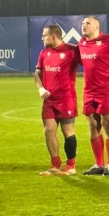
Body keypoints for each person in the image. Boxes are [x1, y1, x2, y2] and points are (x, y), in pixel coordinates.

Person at [77, 16, 109, 175]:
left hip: (107, 89)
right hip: (89, 90)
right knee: (93, 127)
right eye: (83, 23)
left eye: (87, 23)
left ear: (97, 26)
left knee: (108, 125)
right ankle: (98, 164)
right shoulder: (81, 43)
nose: (84, 26)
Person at [36, 25, 80, 175]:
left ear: (53, 36)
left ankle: (71, 166)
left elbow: (91, 61)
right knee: (49, 131)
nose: (42, 38)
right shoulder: (43, 53)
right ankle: (55, 165)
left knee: (67, 130)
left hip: (66, 98)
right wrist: (41, 88)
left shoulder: (72, 50)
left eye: (44, 35)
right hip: (49, 100)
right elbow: (37, 74)